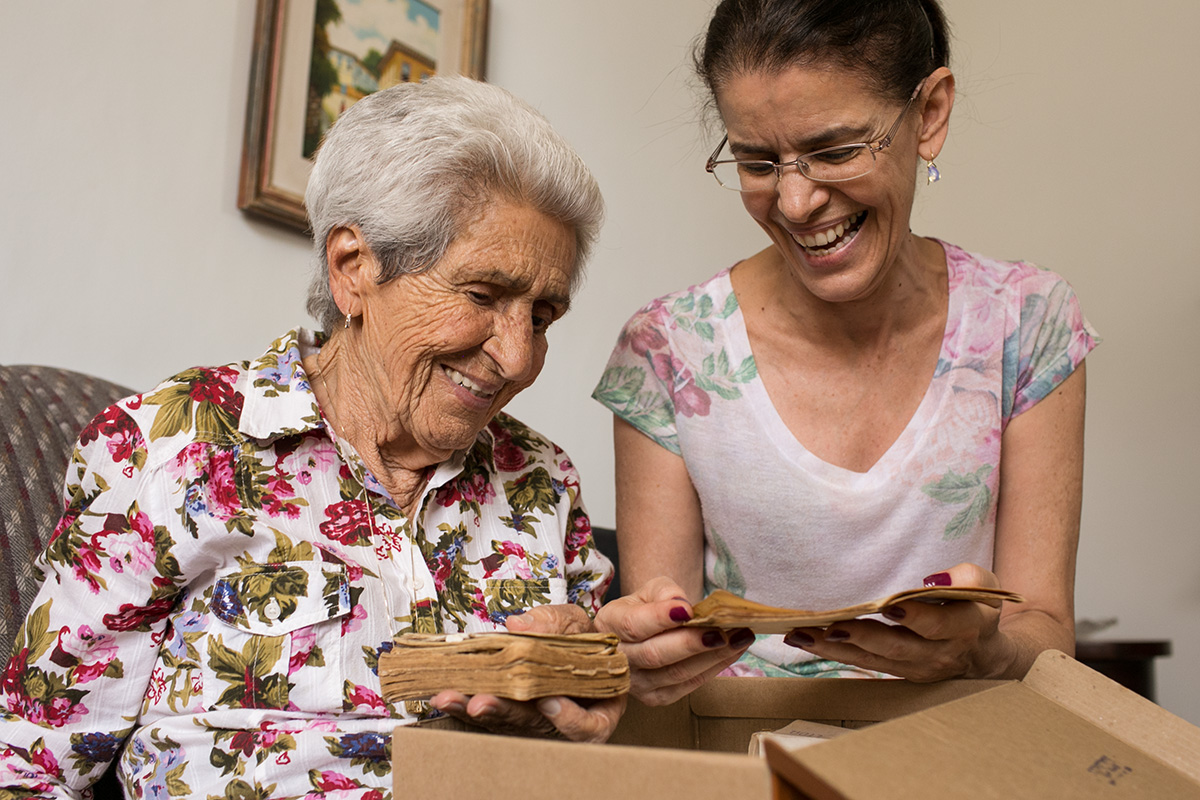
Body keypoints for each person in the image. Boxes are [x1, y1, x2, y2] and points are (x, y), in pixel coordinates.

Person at [0, 75, 617, 798]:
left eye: (542, 317)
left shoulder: (542, 479)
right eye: (482, 296)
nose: (517, 357)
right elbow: (29, 771)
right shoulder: (171, 443)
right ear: (354, 269)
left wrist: (589, 702)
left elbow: (603, 743)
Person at [593, 0, 1097, 701]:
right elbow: (667, 641)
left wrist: (986, 650)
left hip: (963, 748)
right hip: (743, 749)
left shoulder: (1028, 324)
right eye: (758, 161)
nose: (796, 203)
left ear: (929, 114)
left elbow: (1044, 632)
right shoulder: (668, 348)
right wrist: (648, 651)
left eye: (835, 151)